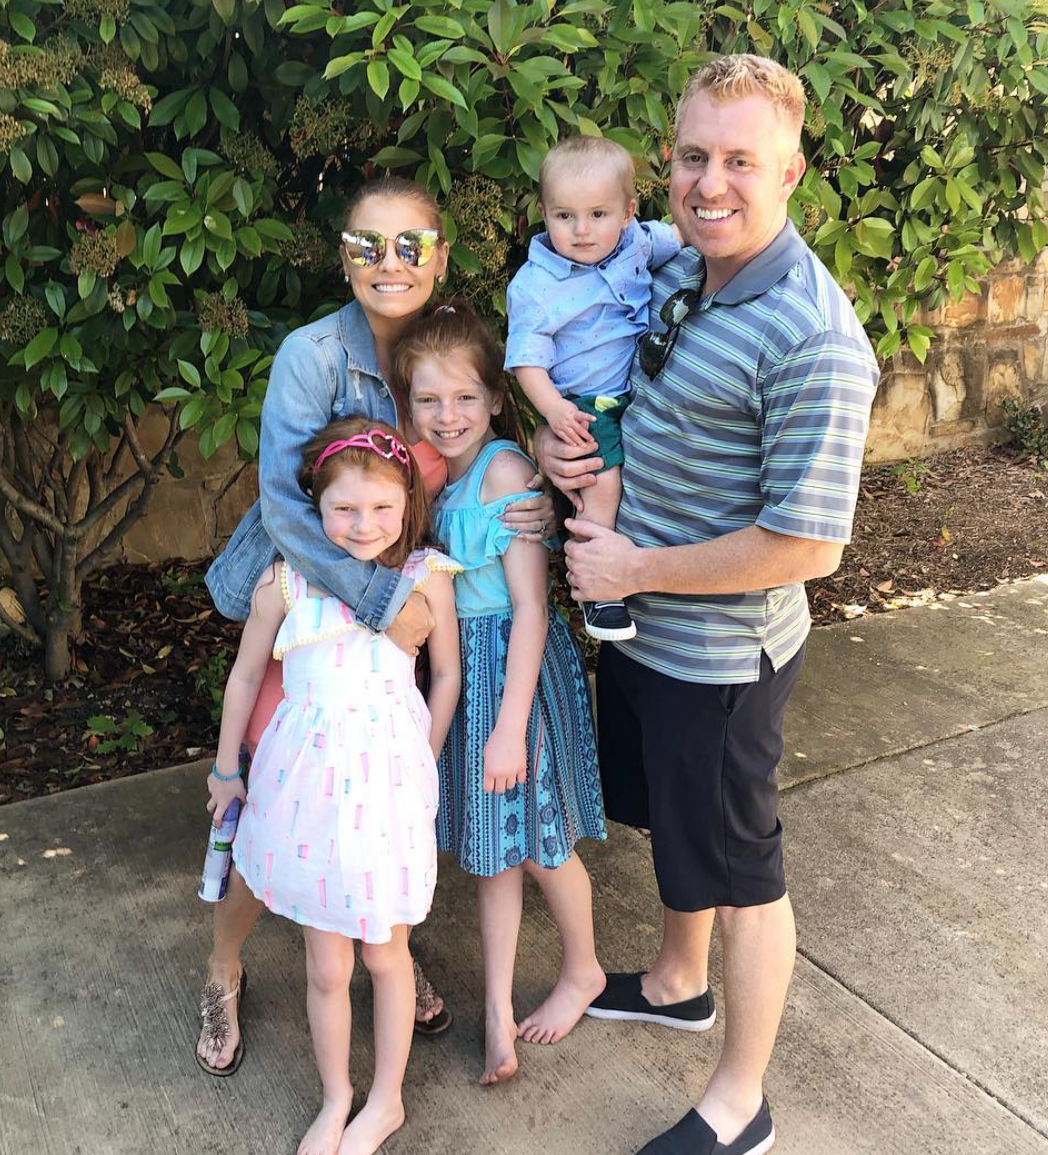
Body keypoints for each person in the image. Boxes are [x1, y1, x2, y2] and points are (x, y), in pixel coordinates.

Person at [537, 56, 880, 1155]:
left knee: (744, 873)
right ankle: (679, 982)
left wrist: (632, 571)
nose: (709, 181)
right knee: (677, 835)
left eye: (740, 160)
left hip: (719, 659)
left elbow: (807, 544)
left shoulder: (813, 337)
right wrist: (564, 439)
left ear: (791, 173)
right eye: (692, 156)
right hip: (642, 629)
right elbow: (633, 394)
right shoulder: (686, 267)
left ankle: (741, 1103)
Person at [198, 177, 554, 1073]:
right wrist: (378, 600)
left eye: (409, 245)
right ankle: (223, 964)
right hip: (323, 604)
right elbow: (285, 504)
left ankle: (384, 947)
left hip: (410, 609)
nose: (388, 263)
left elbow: (485, 446)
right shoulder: (313, 355)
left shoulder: (448, 347)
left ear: (438, 254)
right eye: (367, 246)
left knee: (379, 805)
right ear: (342, 257)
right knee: (276, 804)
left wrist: (536, 488)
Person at [204, 418, 461, 1155]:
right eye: (344, 508)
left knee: (386, 954)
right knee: (326, 962)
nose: (363, 525)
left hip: (388, 786)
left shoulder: (425, 578)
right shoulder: (286, 581)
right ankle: (337, 1095)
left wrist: (426, 752)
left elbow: (445, 673)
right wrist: (227, 767)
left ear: (407, 503)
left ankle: (385, 1100)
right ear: (314, 505)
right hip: (305, 789)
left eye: (382, 509)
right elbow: (247, 674)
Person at [395, 302, 608, 1086]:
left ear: (493, 398)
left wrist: (510, 725)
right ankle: (495, 1009)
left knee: (543, 840)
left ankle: (582, 966)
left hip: (511, 676)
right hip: (466, 673)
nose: (446, 415)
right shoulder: (430, 472)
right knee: (493, 851)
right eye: (428, 399)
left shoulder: (508, 474)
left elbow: (529, 606)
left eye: (463, 398)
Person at [505, 136, 680, 643]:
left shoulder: (640, 244)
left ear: (628, 212)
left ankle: (576, 542)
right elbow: (526, 361)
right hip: (583, 402)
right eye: (565, 217)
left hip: (631, 395)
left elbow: (685, 237)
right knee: (602, 485)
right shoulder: (536, 286)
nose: (582, 231)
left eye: (598, 214)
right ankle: (597, 587)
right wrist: (554, 411)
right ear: (544, 214)